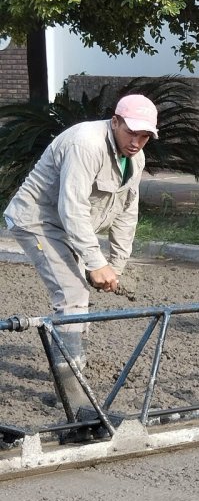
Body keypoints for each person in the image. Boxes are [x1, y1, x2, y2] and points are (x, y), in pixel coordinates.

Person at [3, 93, 158, 409]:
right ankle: (71, 390)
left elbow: (127, 211)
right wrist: (95, 261)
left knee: (78, 294)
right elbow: (71, 207)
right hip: (38, 220)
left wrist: (115, 265)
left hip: (68, 225)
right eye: (131, 132)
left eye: (144, 136)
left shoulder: (136, 159)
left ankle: (73, 360)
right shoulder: (85, 144)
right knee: (72, 292)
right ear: (115, 122)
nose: (136, 142)